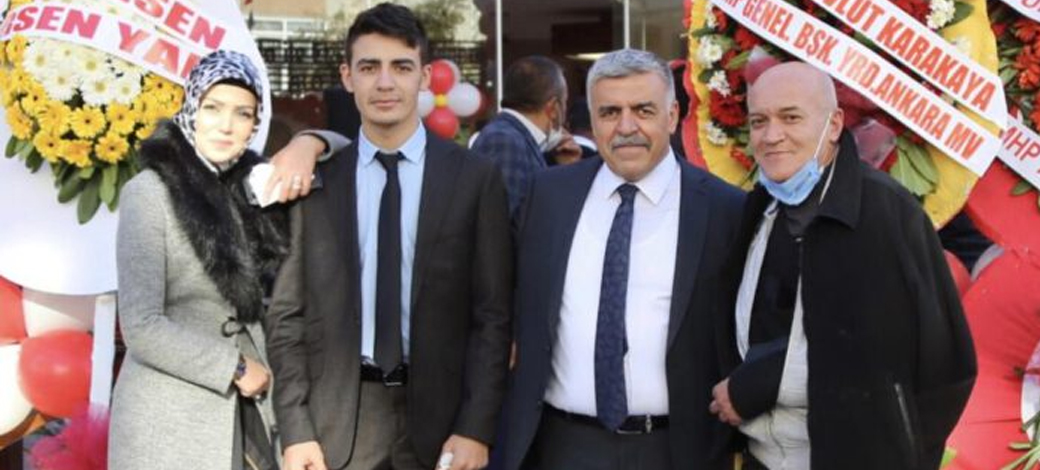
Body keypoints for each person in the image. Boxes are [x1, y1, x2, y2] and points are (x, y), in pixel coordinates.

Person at [264, 4, 513, 470]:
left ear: (425, 77)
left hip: (443, 428)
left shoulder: (475, 179)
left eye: (401, 67)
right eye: (368, 67)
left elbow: (493, 318)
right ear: (347, 77)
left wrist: (476, 427)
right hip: (337, 429)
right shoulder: (316, 182)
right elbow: (287, 317)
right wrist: (296, 430)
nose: (384, 83)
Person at [708, 62, 976, 470]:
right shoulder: (759, 210)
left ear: (833, 125)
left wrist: (900, 454)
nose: (771, 135)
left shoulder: (887, 213)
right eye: (759, 121)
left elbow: (944, 365)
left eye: (790, 117)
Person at [498, 48, 744, 470]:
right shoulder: (548, 196)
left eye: (643, 110)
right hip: (561, 446)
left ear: (672, 116)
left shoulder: (726, 210)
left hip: (679, 451)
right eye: (610, 112)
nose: (626, 127)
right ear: (592, 121)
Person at [110, 50, 287, 470]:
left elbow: (340, 153)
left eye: (243, 114)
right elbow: (141, 326)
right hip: (169, 419)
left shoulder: (257, 188)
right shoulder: (149, 193)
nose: (226, 125)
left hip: (253, 411)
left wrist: (311, 142)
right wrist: (234, 366)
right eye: (213, 108)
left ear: (255, 123)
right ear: (191, 108)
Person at [470, 55, 582, 217]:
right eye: (564, 102)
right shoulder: (505, 141)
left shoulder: (516, 138)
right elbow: (505, 221)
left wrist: (565, 170)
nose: (565, 111)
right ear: (553, 108)